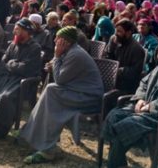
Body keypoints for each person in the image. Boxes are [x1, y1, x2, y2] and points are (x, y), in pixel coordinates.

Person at [18, 26, 103, 164]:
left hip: (88, 98)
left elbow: (60, 80)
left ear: (67, 42)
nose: (55, 39)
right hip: (77, 92)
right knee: (50, 93)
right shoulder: (69, 51)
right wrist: (53, 64)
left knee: (51, 92)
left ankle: (47, 149)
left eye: (58, 38)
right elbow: (59, 71)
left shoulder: (75, 54)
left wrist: (56, 57)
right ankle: (33, 132)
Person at [102, 19, 146, 94]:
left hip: (125, 86)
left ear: (128, 33)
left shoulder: (136, 49)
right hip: (110, 78)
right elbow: (106, 55)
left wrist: (120, 70)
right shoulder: (114, 39)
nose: (116, 34)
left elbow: (136, 72)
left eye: (119, 31)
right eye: (116, 31)